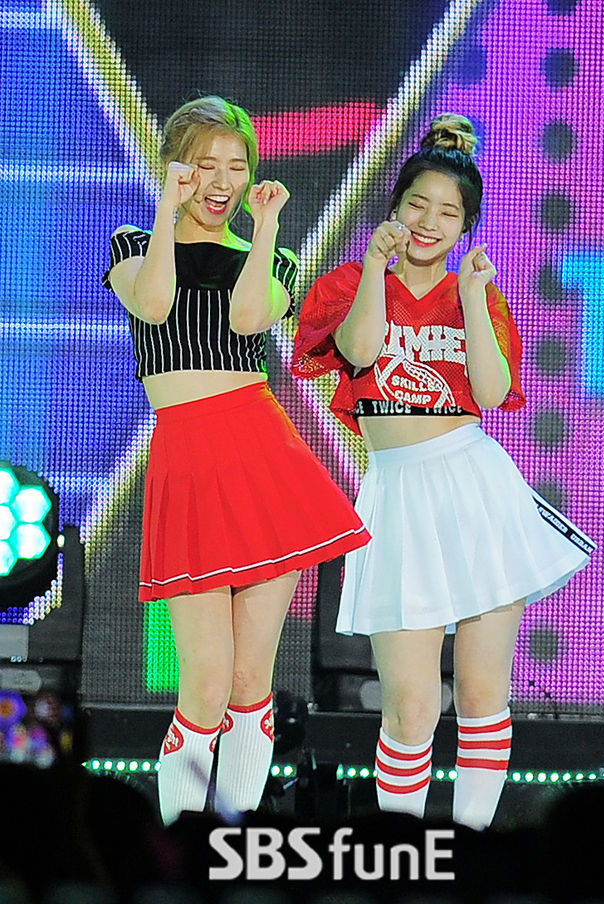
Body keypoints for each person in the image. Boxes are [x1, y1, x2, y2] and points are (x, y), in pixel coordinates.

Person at [292, 114, 594, 829]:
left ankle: (471, 848)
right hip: (397, 496)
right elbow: (359, 353)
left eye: (448, 213)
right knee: (410, 705)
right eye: (417, 205)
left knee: (484, 693)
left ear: (466, 226)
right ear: (395, 207)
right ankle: (404, 858)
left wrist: (472, 299)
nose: (429, 223)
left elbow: (490, 392)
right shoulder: (348, 284)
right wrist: (375, 268)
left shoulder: (476, 295)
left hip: (475, 489)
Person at [102, 96, 370, 825]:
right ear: (175, 168)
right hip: (188, 460)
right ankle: (179, 848)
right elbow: (154, 304)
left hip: (261, 456)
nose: (221, 181)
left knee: (252, 679)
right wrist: (168, 209)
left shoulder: (272, 256)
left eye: (236, 165)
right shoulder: (134, 244)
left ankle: (236, 846)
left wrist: (269, 226)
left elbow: (249, 318)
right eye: (204, 165)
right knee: (205, 685)